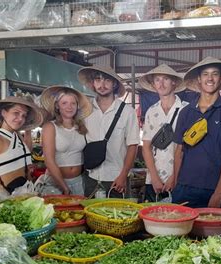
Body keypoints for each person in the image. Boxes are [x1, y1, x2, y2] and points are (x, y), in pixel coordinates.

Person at [172, 57, 221, 209]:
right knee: (179, 233)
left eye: (215, 74)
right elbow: (179, 152)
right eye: (205, 74)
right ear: (199, 79)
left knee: (218, 233)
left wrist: (218, 193)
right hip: (185, 188)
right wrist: (177, 184)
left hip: (215, 190)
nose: (210, 78)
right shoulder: (186, 112)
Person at [77, 66, 140, 198]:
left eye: (107, 80)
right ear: (93, 83)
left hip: (117, 179)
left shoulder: (127, 112)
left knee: (118, 217)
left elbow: (132, 146)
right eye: (98, 79)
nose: (102, 84)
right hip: (91, 177)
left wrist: (123, 175)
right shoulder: (85, 110)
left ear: (114, 84)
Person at [0, 96, 44, 200]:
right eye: (16, 113)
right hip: (5, 198)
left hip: (25, 194)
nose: (20, 118)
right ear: (4, 112)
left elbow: (27, 151)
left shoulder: (17, 136)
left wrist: (28, 129)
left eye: (24, 116)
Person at [140, 64, 187, 202]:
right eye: (157, 80)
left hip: (181, 178)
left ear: (174, 82)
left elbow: (188, 149)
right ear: (153, 84)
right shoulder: (151, 111)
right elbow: (146, 147)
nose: (161, 84)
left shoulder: (187, 110)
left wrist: (174, 177)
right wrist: (154, 178)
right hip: (154, 181)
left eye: (165, 79)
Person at [35, 86, 92, 196]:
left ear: (77, 106)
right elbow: (49, 161)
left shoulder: (81, 127)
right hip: (55, 184)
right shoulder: (50, 127)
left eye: (73, 103)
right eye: (64, 103)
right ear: (57, 106)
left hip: (78, 182)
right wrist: (64, 187)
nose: (69, 107)